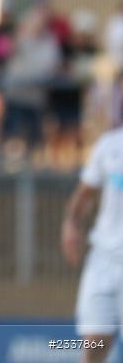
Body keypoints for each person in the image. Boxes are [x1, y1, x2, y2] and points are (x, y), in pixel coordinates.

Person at [61, 119, 123, 363]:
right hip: (104, 260)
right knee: (95, 344)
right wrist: (71, 224)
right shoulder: (110, 145)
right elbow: (85, 193)